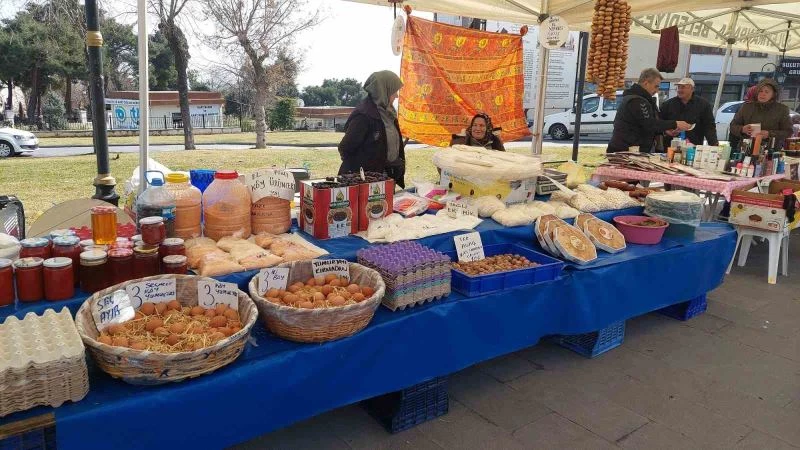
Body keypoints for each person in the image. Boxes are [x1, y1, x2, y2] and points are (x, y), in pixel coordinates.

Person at [338, 71, 406, 187]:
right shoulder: (364, 115)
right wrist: (363, 170)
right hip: (366, 182)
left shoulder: (389, 113)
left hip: (386, 177)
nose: (396, 96)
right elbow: (345, 148)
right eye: (394, 91)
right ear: (383, 91)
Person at [607, 68, 692, 153]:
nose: (657, 91)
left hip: (630, 150)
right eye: (656, 86)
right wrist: (675, 123)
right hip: (624, 151)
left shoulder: (639, 98)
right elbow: (650, 124)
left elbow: (644, 124)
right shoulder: (636, 101)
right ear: (646, 83)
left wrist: (664, 130)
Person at [730, 78, 793, 149]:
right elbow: (733, 126)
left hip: (770, 150)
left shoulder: (782, 109)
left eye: (766, 92)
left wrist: (769, 134)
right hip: (746, 149)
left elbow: (788, 132)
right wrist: (742, 129)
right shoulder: (746, 107)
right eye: (760, 91)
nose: (763, 94)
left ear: (773, 94)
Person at [660, 78, 719, 148]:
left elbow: (709, 126)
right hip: (671, 146)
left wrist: (714, 144)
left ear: (692, 89)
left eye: (683, 87)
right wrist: (666, 131)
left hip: (694, 147)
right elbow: (659, 122)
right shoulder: (667, 104)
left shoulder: (703, 105)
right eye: (678, 87)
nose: (679, 90)